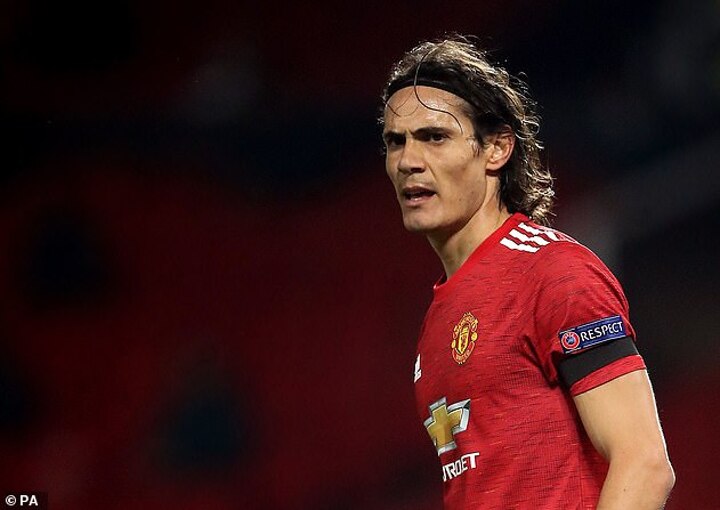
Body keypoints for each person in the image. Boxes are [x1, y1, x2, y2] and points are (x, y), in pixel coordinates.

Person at [380, 35, 675, 509]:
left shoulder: (553, 273)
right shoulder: (439, 315)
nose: (408, 162)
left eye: (435, 137)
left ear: (497, 148)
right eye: (396, 142)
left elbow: (644, 464)